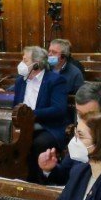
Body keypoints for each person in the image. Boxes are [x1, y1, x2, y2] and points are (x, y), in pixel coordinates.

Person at [13, 46, 68, 183]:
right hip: (23, 125)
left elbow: (59, 109)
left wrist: (31, 114)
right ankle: (13, 178)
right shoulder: (20, 81)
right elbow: (15, 106)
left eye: (25, 60)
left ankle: (38, 182)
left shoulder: (55, 80)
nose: (21, 64)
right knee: (8, 140)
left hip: (48, 126)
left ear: (36, 63)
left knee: (38, 143)